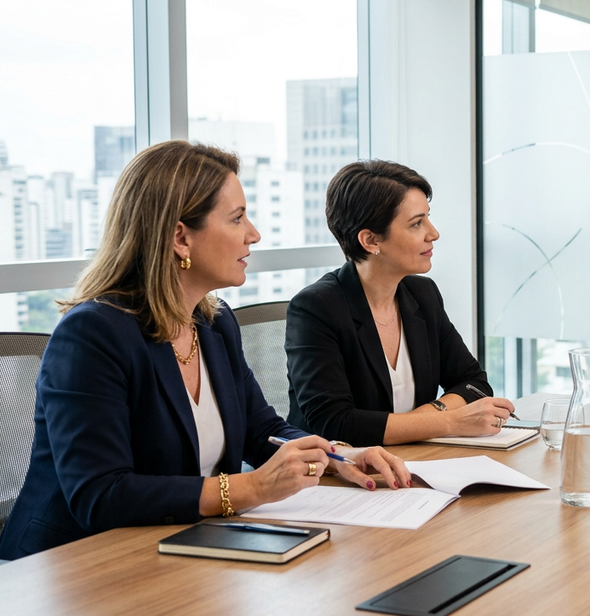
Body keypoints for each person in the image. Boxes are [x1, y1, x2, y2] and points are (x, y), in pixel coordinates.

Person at [0, 141, 409, 560]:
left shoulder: (213, 323)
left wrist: (338, 455)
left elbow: (260, 429)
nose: (254, 234)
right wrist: (250, 488)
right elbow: (100, 494)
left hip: (182, 548)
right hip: (74, 566)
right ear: (181, 237)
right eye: (237, 219)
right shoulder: (93, 334)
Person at [286, 160, 514, 446]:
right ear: (370, 240)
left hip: (414, 460)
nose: (433, 233)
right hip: (339, 476)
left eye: (427, 218)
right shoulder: (316, 308)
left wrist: (429, 416)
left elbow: (473, 383)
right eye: (417, 223)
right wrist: (447, 422)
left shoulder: (422, 294)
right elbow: (334, 422)